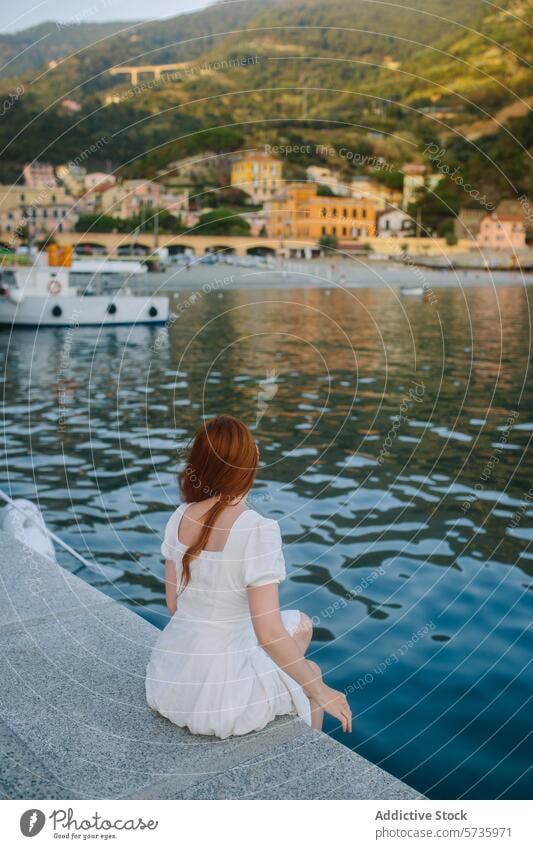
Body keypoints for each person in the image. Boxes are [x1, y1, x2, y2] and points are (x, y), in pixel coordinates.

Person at [146, 415, 352, 739]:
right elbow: (268, 632)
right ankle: (306, 761)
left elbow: (174, 606)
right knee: (310, 676)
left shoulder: (178, 517)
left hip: (170, 678)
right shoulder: (258, 530)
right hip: (221, 699)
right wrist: (323, 691)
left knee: (300, 624)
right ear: (247, 468)